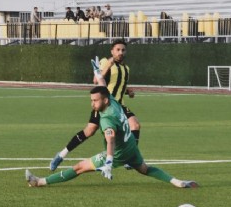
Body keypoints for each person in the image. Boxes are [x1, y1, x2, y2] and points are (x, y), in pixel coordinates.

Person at [25, 57, 198, 189]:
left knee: (79, 167)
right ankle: (178, 182)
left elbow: (111, 140)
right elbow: (102, 84)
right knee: (145, 169)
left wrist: (108, 162)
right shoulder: (113, 100)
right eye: (91, 100)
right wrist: (97, 73)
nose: (92, 104)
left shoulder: (106, 117)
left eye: (95, 101)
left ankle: (39, 182)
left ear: (104, 101)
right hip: (132, 147)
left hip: (118, 153)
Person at [50, 39, 140, 171]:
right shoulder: (105, 62)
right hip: (105, 104)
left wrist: (128, 91)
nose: (120, 52)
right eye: (118, 50)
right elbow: (96, 80)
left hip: (119, 106)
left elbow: (118, 85)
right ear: (112, 51)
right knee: (89, 131)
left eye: (123, 50)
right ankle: (61, 155)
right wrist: (108, 66)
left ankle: (131, 158)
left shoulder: (126, 69)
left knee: (135, 124)